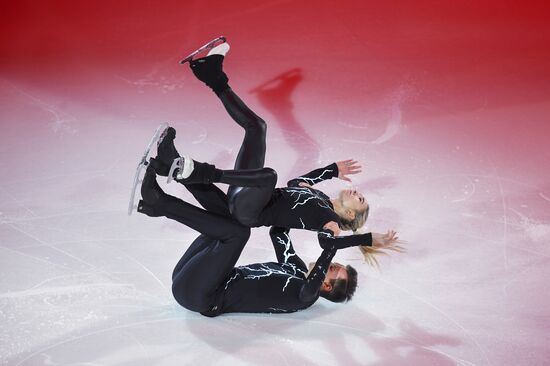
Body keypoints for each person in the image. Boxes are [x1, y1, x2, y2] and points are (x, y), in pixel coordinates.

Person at [151, 41, 381, 256]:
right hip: (247, 195)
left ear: (350, 214)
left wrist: (366, 239)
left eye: (360, 200)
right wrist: (331, 170)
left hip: (249, 211)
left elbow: (327, 243)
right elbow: (296, 184)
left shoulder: (329, 220)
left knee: (269, 176)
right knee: (257, 128)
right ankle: (212, 75)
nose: (359, 193)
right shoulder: (319, 197)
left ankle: (196, 171)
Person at [137, 163, 369, 316]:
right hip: (191, 277)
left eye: (333, 268)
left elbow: (325, 255)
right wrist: (297, 212)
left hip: (202, 297)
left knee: (238, 233)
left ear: (326, 286)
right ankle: (180, 171)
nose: (330, 264)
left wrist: (338, 233)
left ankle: (160, 203)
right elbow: (278, 233)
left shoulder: (305, 296)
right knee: (234, 222)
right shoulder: (295, 268)